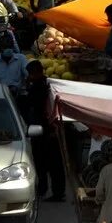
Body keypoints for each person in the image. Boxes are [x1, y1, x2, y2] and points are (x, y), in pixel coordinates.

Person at [23, 61, 64, 202]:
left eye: (31, 74)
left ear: (35, 72)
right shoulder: (47, 85)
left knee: (46, 163)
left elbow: (33, 105)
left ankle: (49, 190)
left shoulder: (40, 87)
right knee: (51, 164)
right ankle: (50, 190)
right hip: (46, 130)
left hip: (45, 130)